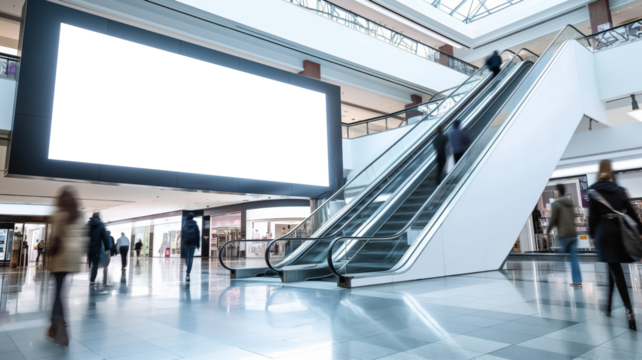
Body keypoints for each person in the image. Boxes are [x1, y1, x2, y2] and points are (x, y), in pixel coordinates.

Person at [588, 159, 642, 331]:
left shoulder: (593, 191)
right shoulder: (620, 190)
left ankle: (629, 313)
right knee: (614, 266)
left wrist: (592, 235)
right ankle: (609, 304)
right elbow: (632, 214)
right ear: (611, 172)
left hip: (603, 234)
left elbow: (592, 218)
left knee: (615, 270)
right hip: (619, 234)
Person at [46, 187, 88, 346]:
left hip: (61, 256)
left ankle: (61, 329)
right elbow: (84, 238)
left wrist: (49, 257)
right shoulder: (80, 216)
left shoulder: (58, 215)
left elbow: (55, 238)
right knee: (60, 291)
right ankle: (53, 326)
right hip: (73, 258)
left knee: (57, 293)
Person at [548, 183, 582, 287]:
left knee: (561, 257)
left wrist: (547, 231)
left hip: (564, 235)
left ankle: (559, 281)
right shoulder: (570, 202)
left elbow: (553, 219)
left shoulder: (555, 204)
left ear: (558, 192)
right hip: (573, 234)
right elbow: (573, 216)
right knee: (574, 259)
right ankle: (577, 282)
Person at [87, 212, 111, 285]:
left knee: (90, 262)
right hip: (96, 248)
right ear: (99, 217)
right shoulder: (101, 226)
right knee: (95, 263)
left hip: (89, 247)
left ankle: (90, 274)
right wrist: (107, 248)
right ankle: (92, 279)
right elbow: (105, 238)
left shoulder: (88, 224)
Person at [181, 213, 200, 282]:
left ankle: (188, 266)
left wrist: (182, 243)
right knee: (191, 257)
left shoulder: (184, 224)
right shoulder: (195, 225)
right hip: (193, 243)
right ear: (192, 218)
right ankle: (188, 273)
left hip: (185, 243)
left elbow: (182, 234)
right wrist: (198, 244)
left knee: (187, 257)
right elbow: (198, 234)